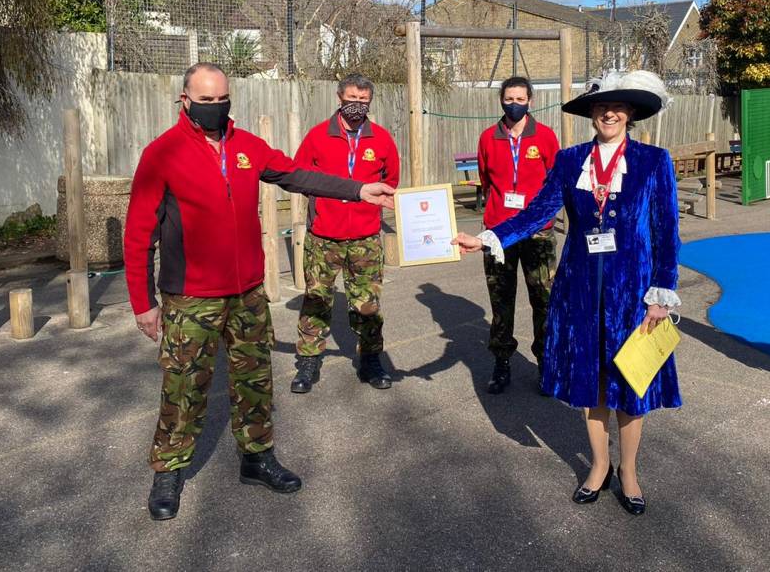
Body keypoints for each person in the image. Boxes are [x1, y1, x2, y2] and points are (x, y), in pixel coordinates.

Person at [124, 62, 395, 521]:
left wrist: (356, 190)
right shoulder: (162, 153)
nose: (215, 107)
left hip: (248, 293)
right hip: (191, 297)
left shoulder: (247, 147)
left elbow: (297, 176)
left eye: (221, 98)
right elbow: (138, 234)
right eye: (205, 100)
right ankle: (169, 471)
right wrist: (143, 304)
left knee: (254, 382)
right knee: (184, 386)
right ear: (184, 100)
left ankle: (257, 456)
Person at [455, 70, 682, 516]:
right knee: (592, 382)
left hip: (633, 291)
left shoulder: (654, 161)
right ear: (592, 114)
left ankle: (629, 471)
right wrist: (486, 237)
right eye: (601, 107)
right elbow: (539, 211)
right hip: (579, 287)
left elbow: (667, 232)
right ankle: (599, 466)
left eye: (617, 107)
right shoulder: (570, 159)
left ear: (630, 114)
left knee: (632, 383)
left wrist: (661, 292)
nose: (609, 113)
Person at [290, 73, 401, 393]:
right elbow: (298, 175)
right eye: (352, 99)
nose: (357, 105)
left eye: (363, 101)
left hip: (366, 238)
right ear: (339, 98)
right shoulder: (317, 136)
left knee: (367, 305)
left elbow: (391, 180)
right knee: (316, 301)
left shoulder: (380, 139)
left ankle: (370, 360)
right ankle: (308, 361)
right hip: (323, 236)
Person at [475, 76, 560, 394]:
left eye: (520, 99)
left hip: (538, 232)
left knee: (544, 300)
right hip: (498, 234)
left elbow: (555, 182)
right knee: (501, 301)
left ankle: (546, 362)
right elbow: (486, 180)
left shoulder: (546, 137)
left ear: (530, 101)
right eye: (509, 98)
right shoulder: (488, 138)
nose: (514, 104)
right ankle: (501, 362)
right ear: (501, 100)